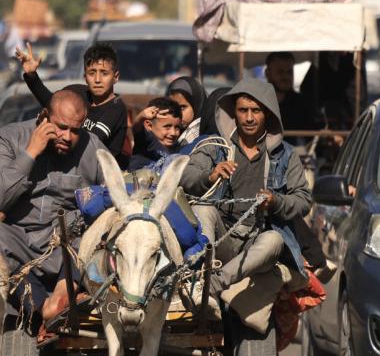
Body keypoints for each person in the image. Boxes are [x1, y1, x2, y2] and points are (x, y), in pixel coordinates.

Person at [0, 90, 106, 332]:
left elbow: (112, 195)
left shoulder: (92, 148)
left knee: (98, 234)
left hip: (65, 247)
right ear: (43, 117)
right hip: (16, 242)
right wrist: (30, 152)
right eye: (61, 127)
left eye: (75, 130)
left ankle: (63, 291)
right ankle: (42, 309)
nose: (67, 136)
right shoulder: (8, 139)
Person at [180, 78, 312, 301]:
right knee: (203, 210)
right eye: (243, 110)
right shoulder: (216, 146)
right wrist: (210, 176)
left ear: (267, 114)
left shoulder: (285, 155)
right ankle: (198, 272)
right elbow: (185, 175)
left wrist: (276, 201)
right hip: (221, 238)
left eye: (256, 111)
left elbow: (303, 200)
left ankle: (211, 286)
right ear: (235, 113)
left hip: (256, 241)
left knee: (275, 240)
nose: (249, 118)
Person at [16, 42, 128, 166]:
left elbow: (92, 141)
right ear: (85, 76)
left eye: (104, 73)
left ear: (116, 77)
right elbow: (52, 104)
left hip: (100, 176)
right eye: (92, 73)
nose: (97, 80)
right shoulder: (75, 93)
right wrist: (32, 76)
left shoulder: (116, 107)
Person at [265, 52, 322, 138]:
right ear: (267, 73)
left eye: (289, 72)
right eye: (280, 72)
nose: (285, 76)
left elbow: (312, 130)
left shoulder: (302, 103)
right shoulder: (259, 103)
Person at [129, 97, 183, 171]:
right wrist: (141, 116)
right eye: (167, 126)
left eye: (177, 127)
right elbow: (136, 128)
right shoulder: (148, 141)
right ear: (149, 126)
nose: (173, 133)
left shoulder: (178, 147)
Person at [165, 76, 207, 146]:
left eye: (182, 108)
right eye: (172, 108)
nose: (177, 113)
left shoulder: (197, 136)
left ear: (196, 105)